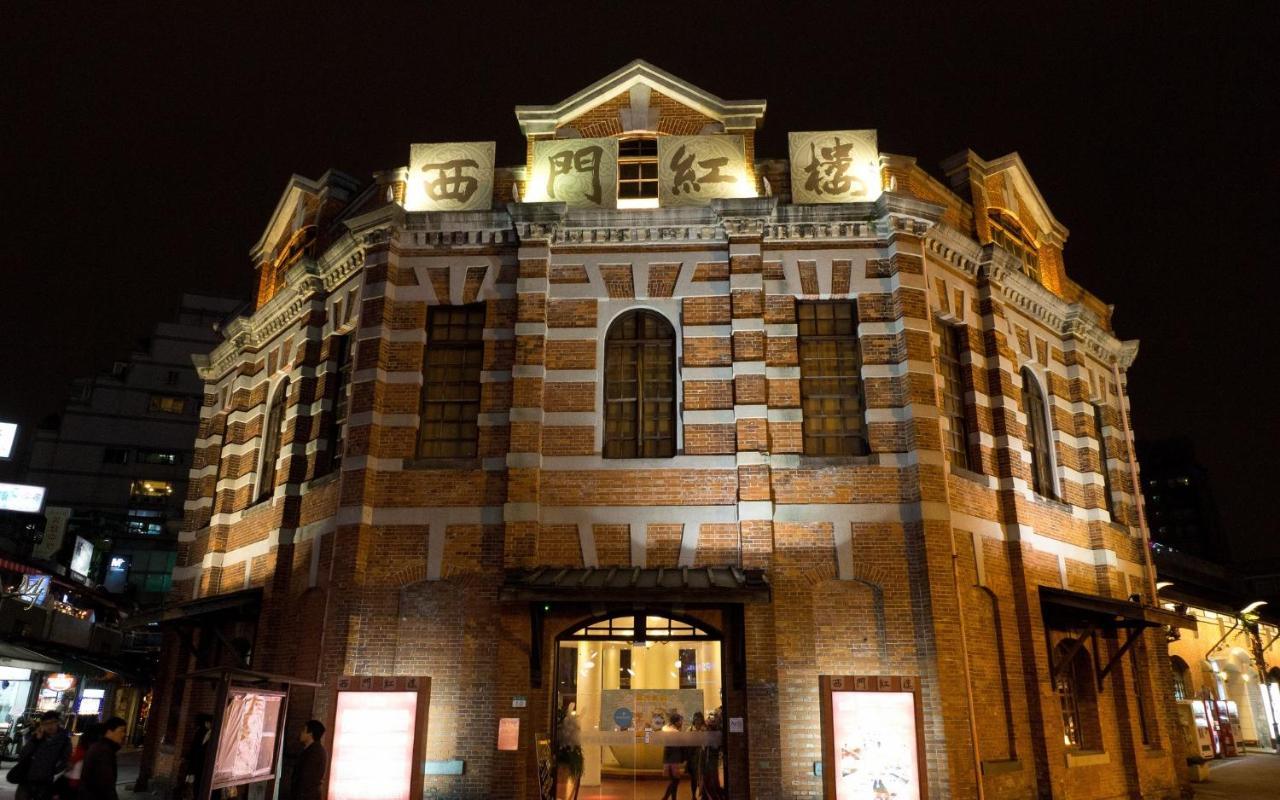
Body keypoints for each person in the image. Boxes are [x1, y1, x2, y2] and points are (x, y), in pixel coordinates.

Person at [15, 711, 71, 800]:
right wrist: (35, 740)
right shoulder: (37, 737)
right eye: (46, 724)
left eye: (52, 722)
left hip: (45, 783)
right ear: (42, 725)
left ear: (58, 723)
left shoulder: (64, 741)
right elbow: (22, 755)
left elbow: (64, 760)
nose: (49, 726)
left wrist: (51, 771)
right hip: (26, 780)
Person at [77, 717, 125, 800]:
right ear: (109, 731)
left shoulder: (102, 748)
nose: (123, 734)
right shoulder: (103, 751)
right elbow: (105, 784)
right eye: (121, 730)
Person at [57, 723, 103, 798]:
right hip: (75, 784)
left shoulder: (82, 748)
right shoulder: (87, 750)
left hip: (74, 783)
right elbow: (70, 766)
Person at [289, 720, 327, 800]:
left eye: (303, 730)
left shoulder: (315, 752)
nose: (301, 733)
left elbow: (306, 778)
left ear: (310, 733)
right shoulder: (311, 749)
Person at [180, 715, 213, 799]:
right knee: (194, 783)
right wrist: (187, 757)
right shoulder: (200, 732)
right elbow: (194, 747)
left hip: (204, 764)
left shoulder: (213, 734)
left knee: (200, 783)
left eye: (209, 723)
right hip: (196, 763)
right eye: (207, 723)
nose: (208, 724)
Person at [659, 712, 684, 800]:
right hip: (673, 758)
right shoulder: (675, 732)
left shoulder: (664, 728)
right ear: (676, 722)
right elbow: (680, 745)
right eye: (680, 721)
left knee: (674, 780)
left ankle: (672, 798)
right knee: (675, 780)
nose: (681, 722)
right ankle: (666, 797)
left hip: (667, 757)